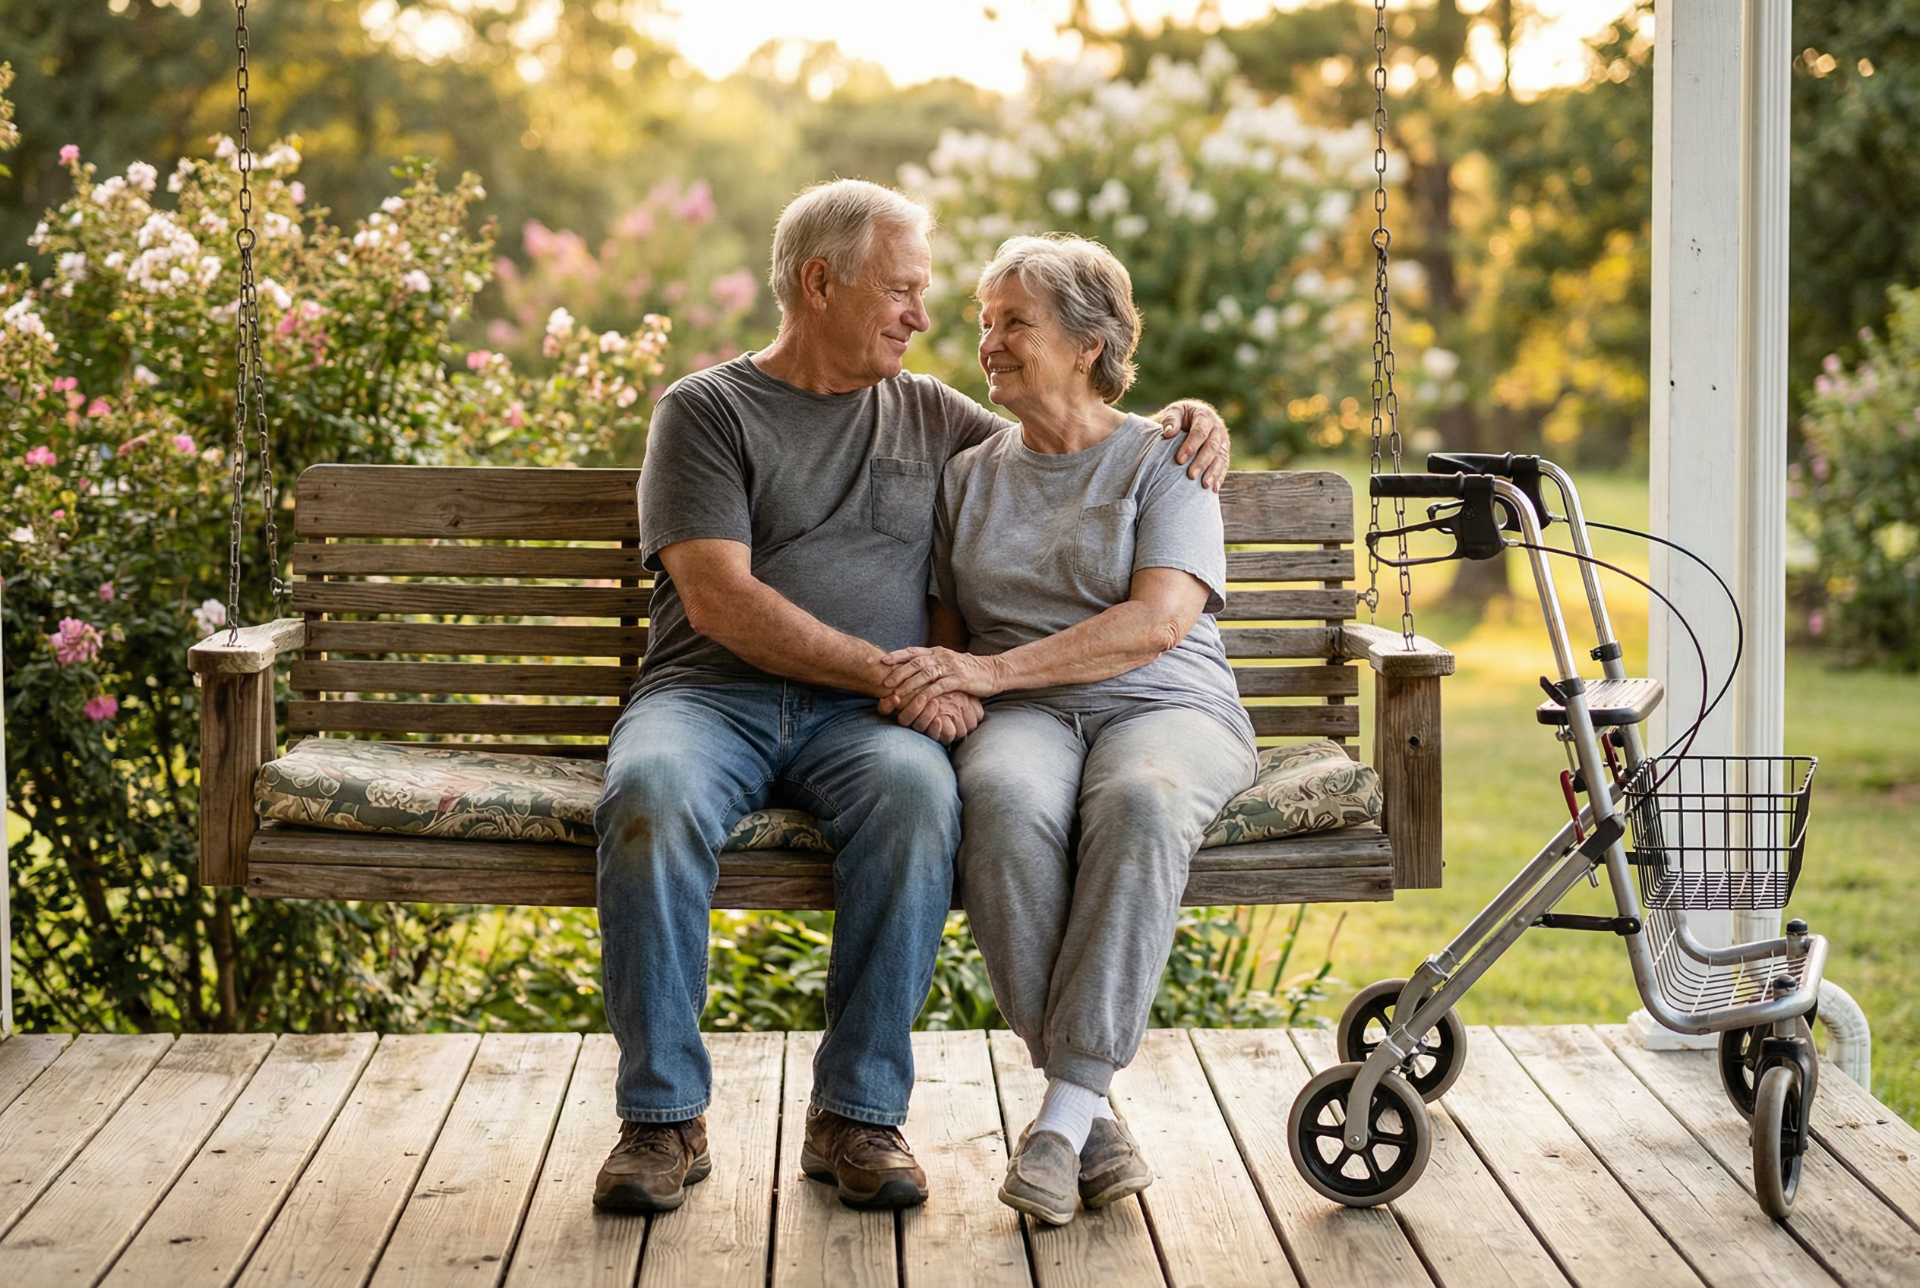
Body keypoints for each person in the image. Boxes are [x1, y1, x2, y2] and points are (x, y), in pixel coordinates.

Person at [591, 181, 1231, 1216]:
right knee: (649, 799)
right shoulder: (704, 411)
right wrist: (897, 672)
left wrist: (1190, 422)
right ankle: (660, 1120)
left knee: (920, 801)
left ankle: (859, 1112)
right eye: (902, 290)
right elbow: (718, 599)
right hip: (714, 698)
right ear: (818, 281)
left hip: (863, 722)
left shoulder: (931, 411)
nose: (923, 318)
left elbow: (1070, 432)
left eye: (931, 296)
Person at [879, 234, 1257, 1226]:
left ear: (1089, 343)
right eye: (984, 321)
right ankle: (1086, 1111)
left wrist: (986, 672)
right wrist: (951, 689)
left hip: (1167, 703)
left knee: (1140, 802)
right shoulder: (971, 474)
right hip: (1028, 717)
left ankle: (1060, 1118)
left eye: (1016, 322)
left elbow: (1159, 619)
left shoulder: (1167, 454)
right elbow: (949, 633)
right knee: (998, 801)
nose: (989, 341)